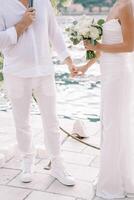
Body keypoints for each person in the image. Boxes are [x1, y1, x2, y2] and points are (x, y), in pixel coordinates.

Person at [0, 0, 77, 185]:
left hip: (44, 71)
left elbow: (54, 32)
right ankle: (27, 160)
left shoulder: (43, 2)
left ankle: (57, 164)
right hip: (16, 73)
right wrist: (21, 25)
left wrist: (67, 60)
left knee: (51, 120)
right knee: (22, 122)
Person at [77, 0, 134, 198]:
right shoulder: (116, 5)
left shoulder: (126, 5)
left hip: (119, 74)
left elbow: (130, 45)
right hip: (109, 72)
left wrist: (97, 44)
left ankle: (114, 184)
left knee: (114, 126)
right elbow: (108, 44)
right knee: (110, 124)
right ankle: (113, 176)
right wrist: (86, 66)